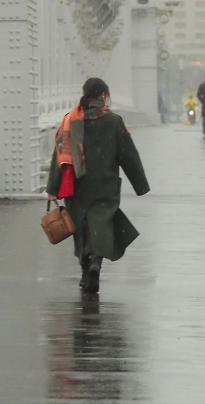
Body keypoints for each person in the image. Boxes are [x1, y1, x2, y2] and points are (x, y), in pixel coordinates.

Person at [47, 77, 150, 294]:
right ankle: (95, 262)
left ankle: (86, 270)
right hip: (105, 184)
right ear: (104, 95)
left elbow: (59, 156)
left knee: (81, 228)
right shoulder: (113, 122)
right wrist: (140, 184)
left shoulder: (70, 120)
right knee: (101, 225)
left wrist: (52, 188)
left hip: (77, 185)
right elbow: (128, 155)